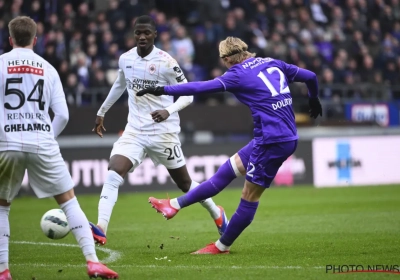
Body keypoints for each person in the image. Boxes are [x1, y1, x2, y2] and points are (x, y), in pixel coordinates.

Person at [137, 36, 323, 254]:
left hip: (273, 142)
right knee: (227, 170)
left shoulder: (236, 74)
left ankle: (221, 246)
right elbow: (310, 76)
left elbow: (200, 88)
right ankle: (174, 205)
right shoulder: (272, 62)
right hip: (275, 136)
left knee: (249, 195)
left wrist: (163, 90)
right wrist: (313, 98)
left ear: (226, 58)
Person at [89, 15, 228, 246]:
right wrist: (102, 111)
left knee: (185, 184)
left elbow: (188, 94)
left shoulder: (166, 61)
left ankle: (217, 214)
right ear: (133, 35)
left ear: (155, 34)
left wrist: (168, 110)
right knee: (114, 171)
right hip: (134, 130)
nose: (142, 36)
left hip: (163, 132)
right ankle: (101, 228)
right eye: (138, 33)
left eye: (146, 33)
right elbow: (119, 85)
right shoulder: (125, 59)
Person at [0, 16, 118, 279]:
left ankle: (3, 271)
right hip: (43, 140)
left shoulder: (0, 65)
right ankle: (93, 262)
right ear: (35, 40)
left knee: (2, 206)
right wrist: (45, 137)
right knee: (68, 200)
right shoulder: (48, 68)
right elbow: (62, 115)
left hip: (6, 142)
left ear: (10, 40)